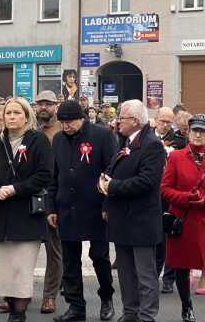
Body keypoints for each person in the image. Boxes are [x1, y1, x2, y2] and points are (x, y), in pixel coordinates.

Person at [0, 97, 54, 322]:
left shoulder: (38, 141)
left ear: (26, 116)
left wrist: (15, 189)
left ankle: (18, 314)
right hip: (1, 215)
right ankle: (13, 308)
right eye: (8, 113)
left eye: (17, 113)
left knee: (21, 269)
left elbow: (44, 175)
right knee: (3, 271)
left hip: (26, 214)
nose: (12, 117)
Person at [48, 100, 117, 322]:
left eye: (70, 122)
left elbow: (112, 172)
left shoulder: (102, 136)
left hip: (96, 207)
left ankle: (107, 297)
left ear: (81, 118)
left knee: (99, 257)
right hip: (67, 207)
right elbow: (54, 176)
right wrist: (51, 207)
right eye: (62, 122)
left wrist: (107, 204)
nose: (65, 126)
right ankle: (76, 306)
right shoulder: (58, 140)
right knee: (70, 261)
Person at [99, 99, 166, 322]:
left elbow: (147, 181)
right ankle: (130, 313)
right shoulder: (125, 141)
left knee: (145, 276)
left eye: (122, 118)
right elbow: (112, 171)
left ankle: (146, 316)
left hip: (141, 221)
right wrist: (103, 184)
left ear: (135, 121)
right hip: (122, 219)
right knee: (126, 274)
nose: (117, 122)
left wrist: (113, 186)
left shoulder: (151, 144)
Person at [160, 114, 205, 322]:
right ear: (189, 132)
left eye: (202, 131)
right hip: (183, 220)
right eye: (195, 130)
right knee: (181, 265)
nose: (198, 134)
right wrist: (187, 198)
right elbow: (165, 190)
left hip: (203, 220)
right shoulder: (176, 157)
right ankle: (186, 307)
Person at [152, 107, 186, 294]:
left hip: (172, 193)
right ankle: (153, 274)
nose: (165, 125)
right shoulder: (146, 137)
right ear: (155, 119)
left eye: (168, 122)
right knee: (155, 236)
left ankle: (169, 278)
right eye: (162, 120)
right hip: (151, 193)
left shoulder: (180, 142)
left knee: (171, 236)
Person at [34, 91, 63, 314]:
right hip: (31, 195)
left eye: (48, 104)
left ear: (56, 106)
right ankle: (17, 294)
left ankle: (49, 296)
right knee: (24, 248)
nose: (44, 107)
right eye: (40, 103)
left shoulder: (63, 130)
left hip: (55, 197)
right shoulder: (31, 130)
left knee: (54, 250)